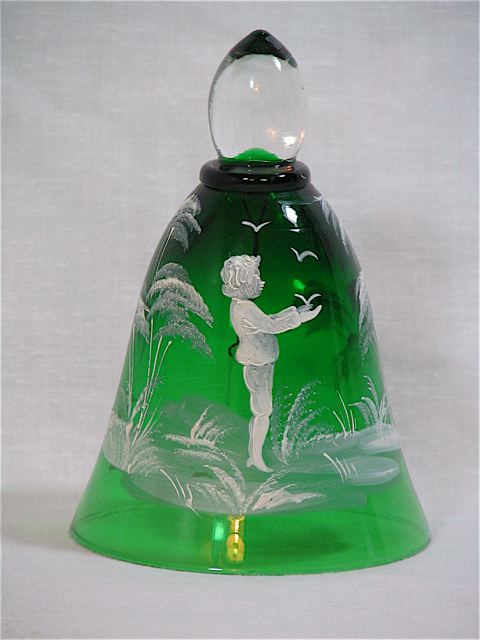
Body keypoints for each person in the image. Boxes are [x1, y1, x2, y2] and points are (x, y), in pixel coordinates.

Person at [221, 255, 322, 472]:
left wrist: (295, 312)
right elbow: (270, 325)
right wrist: (300, 318)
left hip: (261, 360)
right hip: (257, 362)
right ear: (243, 280)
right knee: (262, 410)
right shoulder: (244, 307)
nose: (261, 281)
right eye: (255, 276)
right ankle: (257, 458)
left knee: (262, 410)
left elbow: (268, 319)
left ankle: (254, 455)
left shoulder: (242, 306)